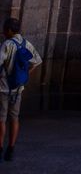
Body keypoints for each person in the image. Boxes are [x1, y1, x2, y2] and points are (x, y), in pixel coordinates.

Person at [0, 19, 41, 162]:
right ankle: (11, 149)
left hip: (3, 88)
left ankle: (0, 149)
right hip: (18, 88)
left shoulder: (7, 44)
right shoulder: (26, 43)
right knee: (14, 118)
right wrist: (24, 75)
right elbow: (37, 61)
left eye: (5, 29)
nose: (4, 32)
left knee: (1, 119)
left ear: (10, 30)